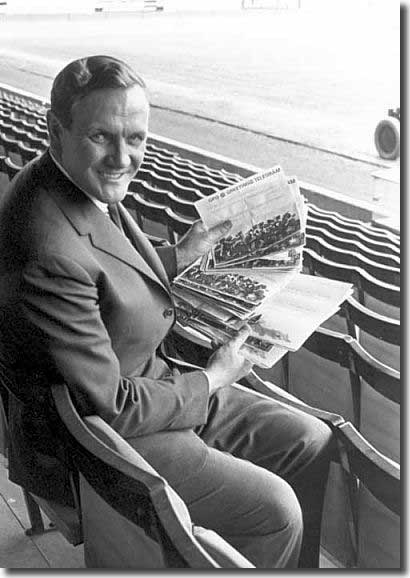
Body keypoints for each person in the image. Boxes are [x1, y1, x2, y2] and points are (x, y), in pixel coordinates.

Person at [0, 55, 333, 568]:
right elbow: (110, 406)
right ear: (55, 130)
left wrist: (183, 252)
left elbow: (104, 267)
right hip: (103, 441)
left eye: (136, 138)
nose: (122, 156)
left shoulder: (69, 180)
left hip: (148, 385)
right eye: (102, 137)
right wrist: (213, 379)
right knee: (277, 511)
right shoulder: (47, 250)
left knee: (311, 439)